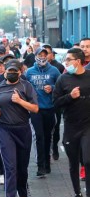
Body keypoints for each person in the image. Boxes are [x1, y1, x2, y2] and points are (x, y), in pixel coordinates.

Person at [0, 59, 39, 197]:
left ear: (20, 72)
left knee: (22, 168)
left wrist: (19, 101)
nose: (11, 73)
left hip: (22, 129)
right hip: (5, 130)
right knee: (10, 167)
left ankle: (23, 196)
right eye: (8, 71)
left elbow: (35, 108)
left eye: (14, 71)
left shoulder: (26, 86)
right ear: (4, 72)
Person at [53, 48, 90, 197]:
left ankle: (89, 196)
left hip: (88, 126)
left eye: (69, 60)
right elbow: (55, 102)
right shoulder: (63, 79)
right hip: (70, 126)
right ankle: (77, 195)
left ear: (78, 61)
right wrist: (70, 97)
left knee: (88, 161)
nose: (66, 63)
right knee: (73, 163)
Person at [25, 47, 60, 176]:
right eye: (40, 54)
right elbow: (24, 87)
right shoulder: (29, 72)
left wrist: (52, 87)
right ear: (35, 56)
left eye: (45, 55)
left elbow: (62, 86)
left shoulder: (54, 70)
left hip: (50, 108)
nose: (42, 57)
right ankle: (40, 166)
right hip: (35, 109)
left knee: (47, 136)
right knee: (39, 136)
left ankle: (47, 163)